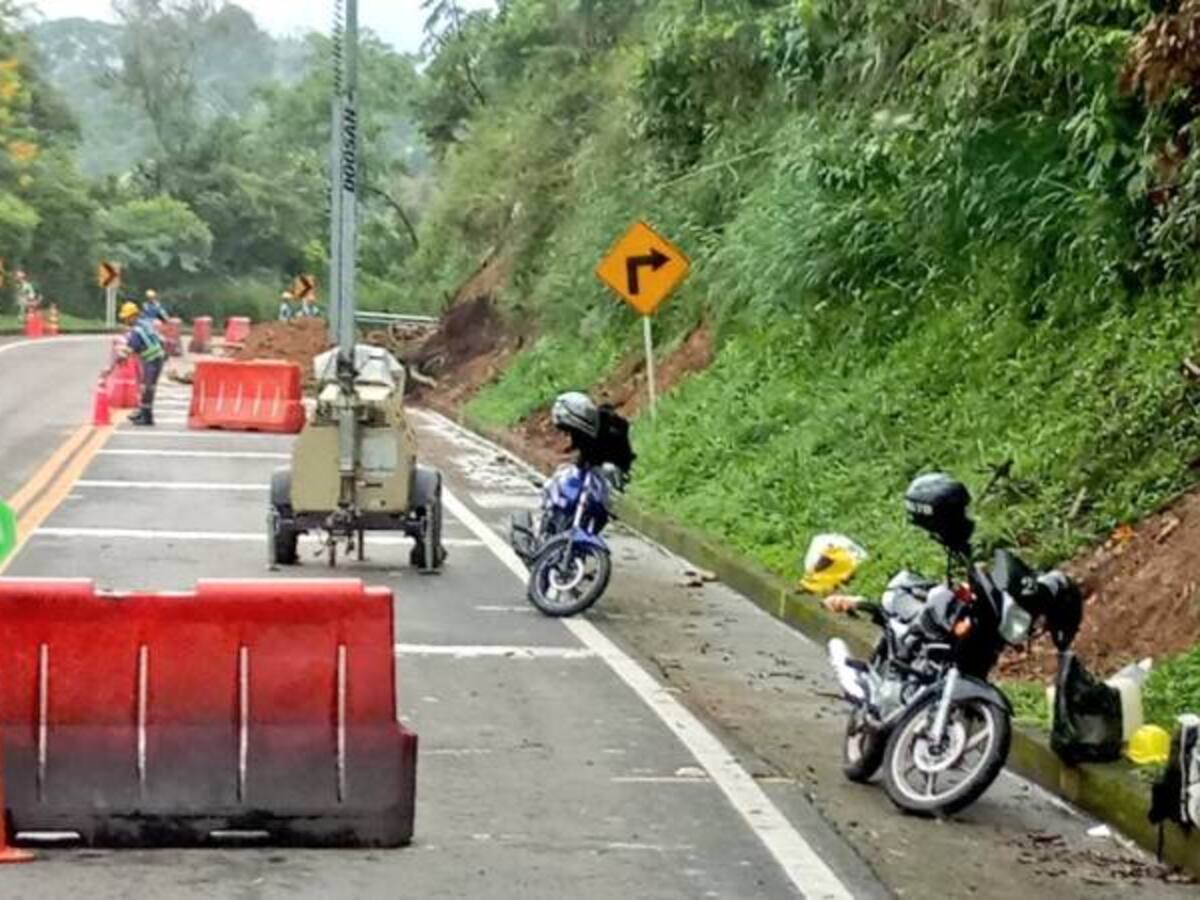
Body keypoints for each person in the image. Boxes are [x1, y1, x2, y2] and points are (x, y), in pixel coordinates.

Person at [117, 302, 166, 427]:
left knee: (146, 387)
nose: (125, 321)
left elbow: (130, 348)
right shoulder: (146, 324)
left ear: (133, 316)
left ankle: (146, 416)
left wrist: (119, 359)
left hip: (151, 360)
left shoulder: (137, 330)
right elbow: (160, 340)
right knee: (149, 387)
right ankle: (144, 412)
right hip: (158, 358)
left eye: (127, 318)